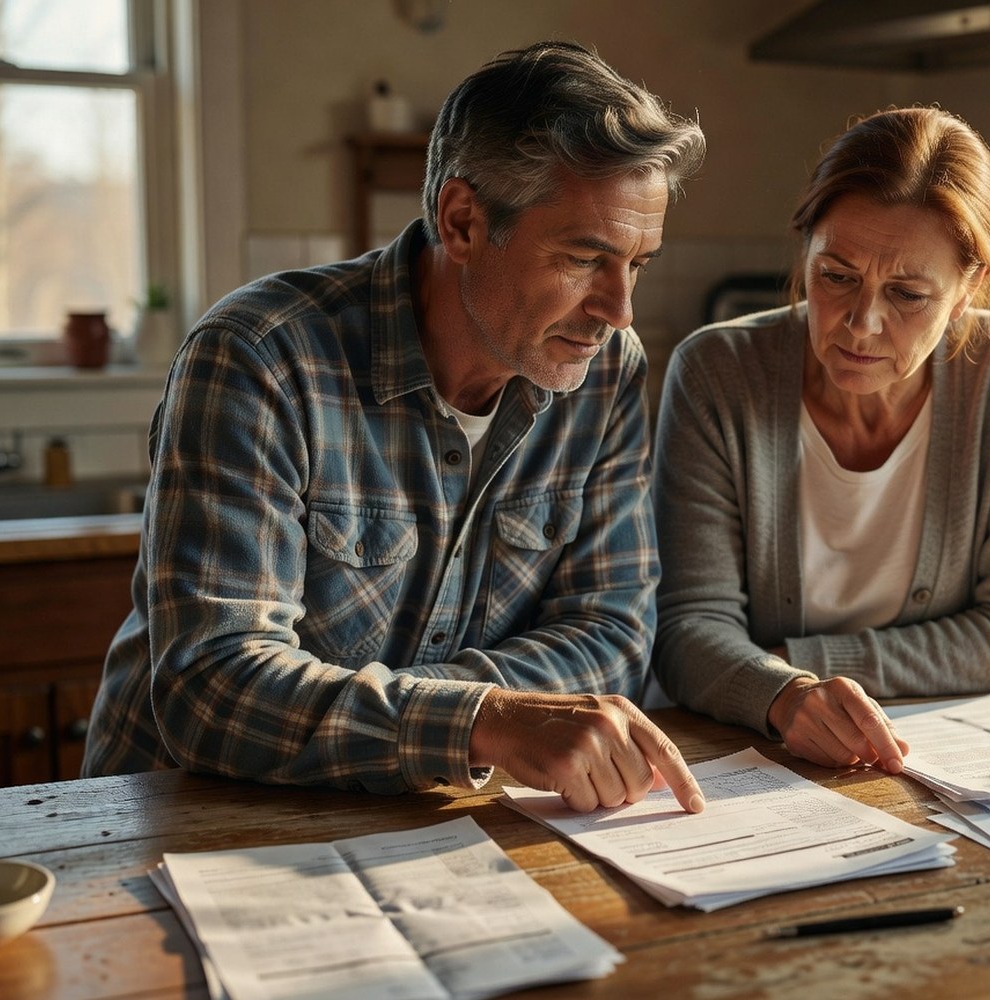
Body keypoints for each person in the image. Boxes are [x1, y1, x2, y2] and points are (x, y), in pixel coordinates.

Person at [82, 41, 707, 815]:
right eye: (585, 258)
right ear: (462, 221)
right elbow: (211, 688)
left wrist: (446, 727)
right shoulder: (260, 358)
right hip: (186, 826)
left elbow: (612, 639)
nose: (619, 311)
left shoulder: (607, 371)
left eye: (637, 264)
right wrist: (483, 720)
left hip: (430, 819)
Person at [652, 106, 990, 774]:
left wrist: (793, 669)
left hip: (936, 757)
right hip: (741, 755)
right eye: (837, 276)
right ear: (805, 252)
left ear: (966, 291)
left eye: (908, 294)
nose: (861, 323)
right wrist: (788, 700)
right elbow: (685, 630)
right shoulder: (718, 371)